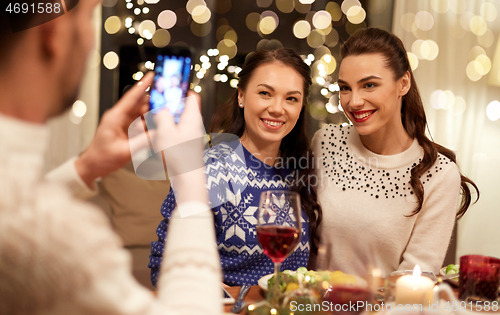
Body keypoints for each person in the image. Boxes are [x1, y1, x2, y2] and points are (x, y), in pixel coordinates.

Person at [0, 0, 222, 314]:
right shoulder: (54, 235)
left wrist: (86, 166)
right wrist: (190, 183)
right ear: (54, 32)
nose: (92, 41)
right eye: (89, 18)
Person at [312, 27, 479, 276]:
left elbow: (415, 276)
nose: (353, 101)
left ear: (403, 83)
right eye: (345, 88)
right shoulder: (325, 141)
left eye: (369, 85)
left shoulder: (439, 174)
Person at [149, 48, 323, 286]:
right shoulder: (209, 167)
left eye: (291, 98)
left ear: (301, 106)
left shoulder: (301, 171)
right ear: (241, 96)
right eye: (265, 93)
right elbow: (164, 266)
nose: (277, 108)